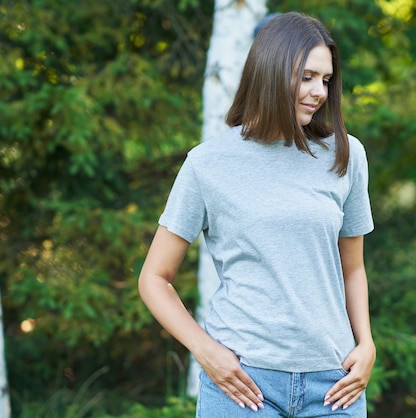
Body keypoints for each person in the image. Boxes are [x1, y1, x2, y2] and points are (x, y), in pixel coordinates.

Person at [138, 11, 375, 417]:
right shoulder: (208, 163)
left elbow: (352, 268)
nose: (319, 91)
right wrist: (205, 350)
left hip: (334, 385)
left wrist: (366, 344)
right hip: (243, 385)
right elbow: (154, 279)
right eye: (306, 77)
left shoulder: (345, 154)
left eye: (326, 79)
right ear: (270, 70)